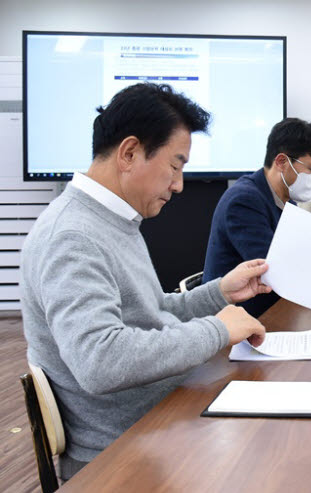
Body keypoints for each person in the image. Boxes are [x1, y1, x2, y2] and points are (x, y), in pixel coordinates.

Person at [20, 83, 272, 481]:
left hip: (165, 415)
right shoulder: (71, 237)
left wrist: (220, 291)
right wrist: (217, 330)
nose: (179, 184)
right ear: (130, 153)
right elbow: (100, 361)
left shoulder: (115, 220)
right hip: (123, 451)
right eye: (175, 165)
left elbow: (152, 311)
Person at [203, 117, 311, 317]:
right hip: (238, 318)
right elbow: (270, 270)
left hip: (271, 309)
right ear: (281, 162)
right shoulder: (244, 200)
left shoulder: (287, 200)